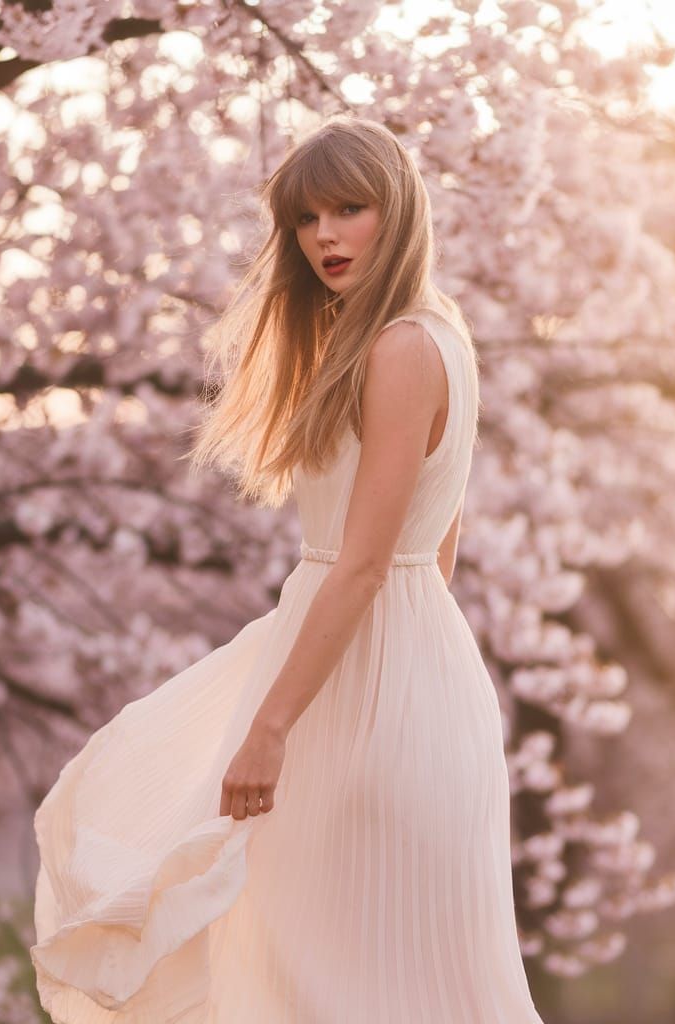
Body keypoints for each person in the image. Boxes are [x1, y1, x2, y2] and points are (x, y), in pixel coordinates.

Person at [30, 115, 545, 1024]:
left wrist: (271, 728)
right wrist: (394, 677)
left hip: (357, 685)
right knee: (352, 969)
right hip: (402, 675)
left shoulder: (402, 349)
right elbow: (440, 544)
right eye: (307, 219)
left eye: (350, 209)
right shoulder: (441, 337)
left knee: (319, 968)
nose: (325, 237)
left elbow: (363, 565)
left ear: (400, 212)